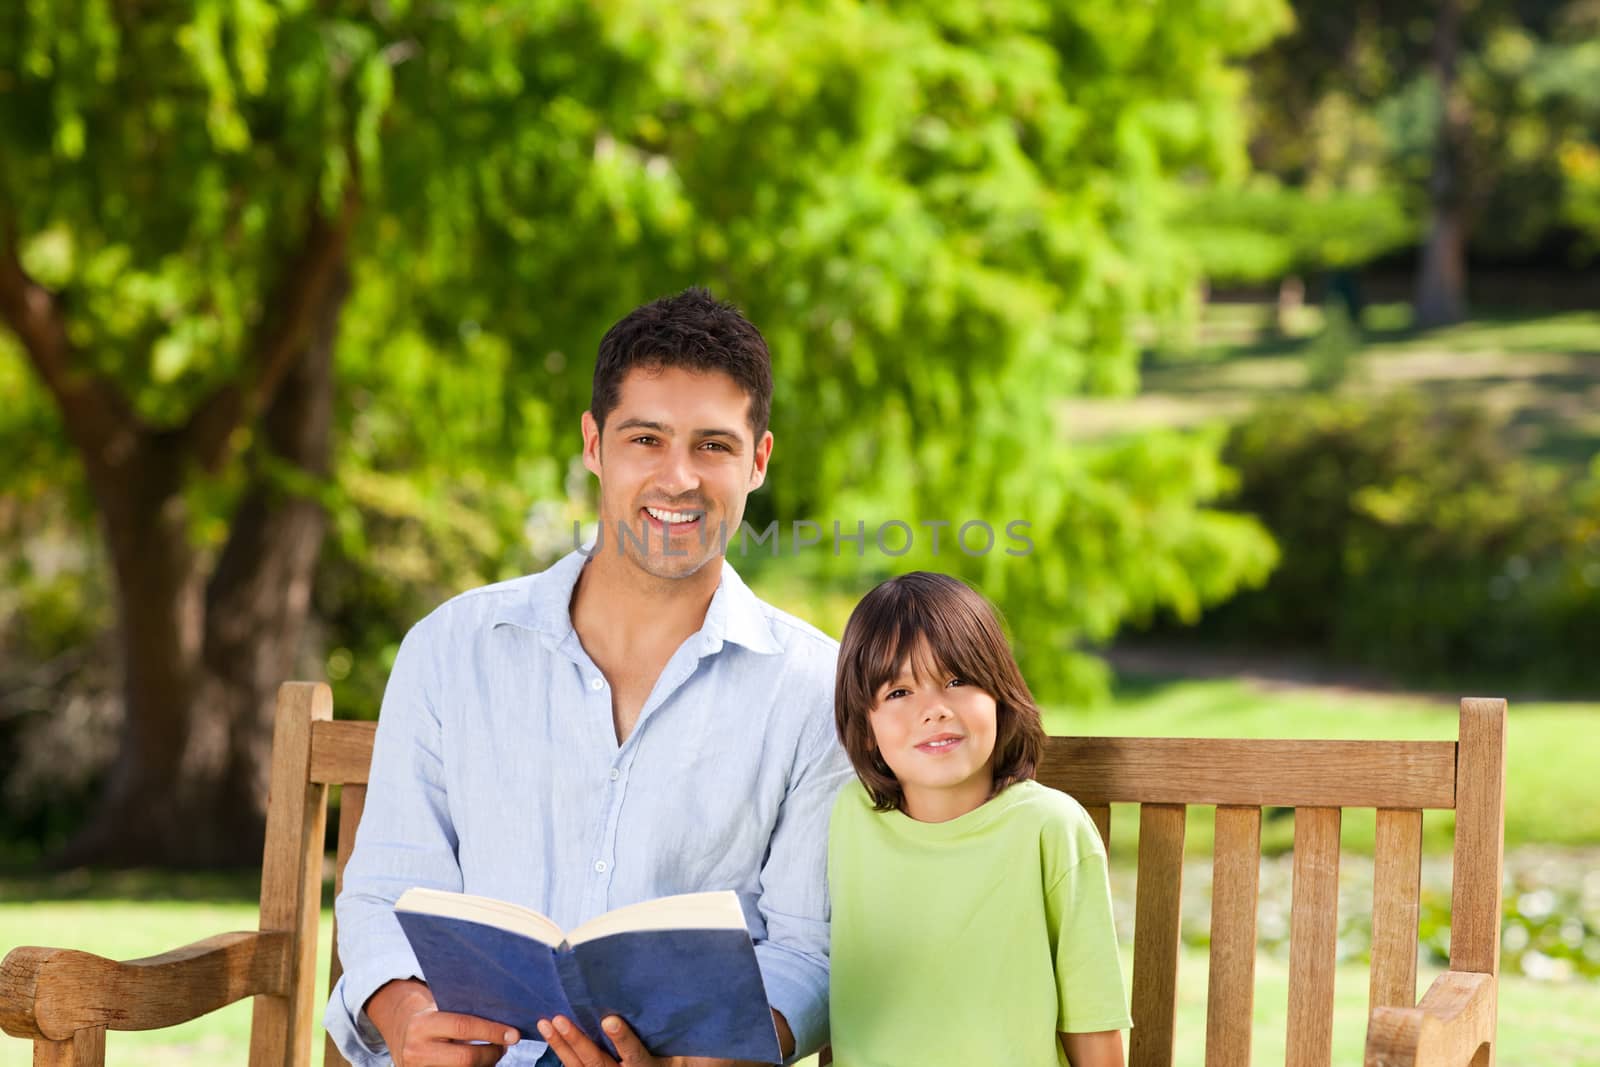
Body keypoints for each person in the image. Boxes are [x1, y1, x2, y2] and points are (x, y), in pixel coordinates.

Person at [326, 288, 852, 1067]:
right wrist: (408, 1018)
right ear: (594, 444)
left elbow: (809, 945)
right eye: (646, 438)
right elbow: (382, 894)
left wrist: (717, 1054)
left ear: (759, 460)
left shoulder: (815, 688)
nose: (679, 478)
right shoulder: (451, 648)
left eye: (713, 445)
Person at [827, 572, 1132, 1067]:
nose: (935, 711)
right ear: (864, 728)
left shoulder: (1049, 826)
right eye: (900, 692)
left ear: (1000, 693)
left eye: (956, 680)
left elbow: (1093, 1024)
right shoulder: (849, 816)